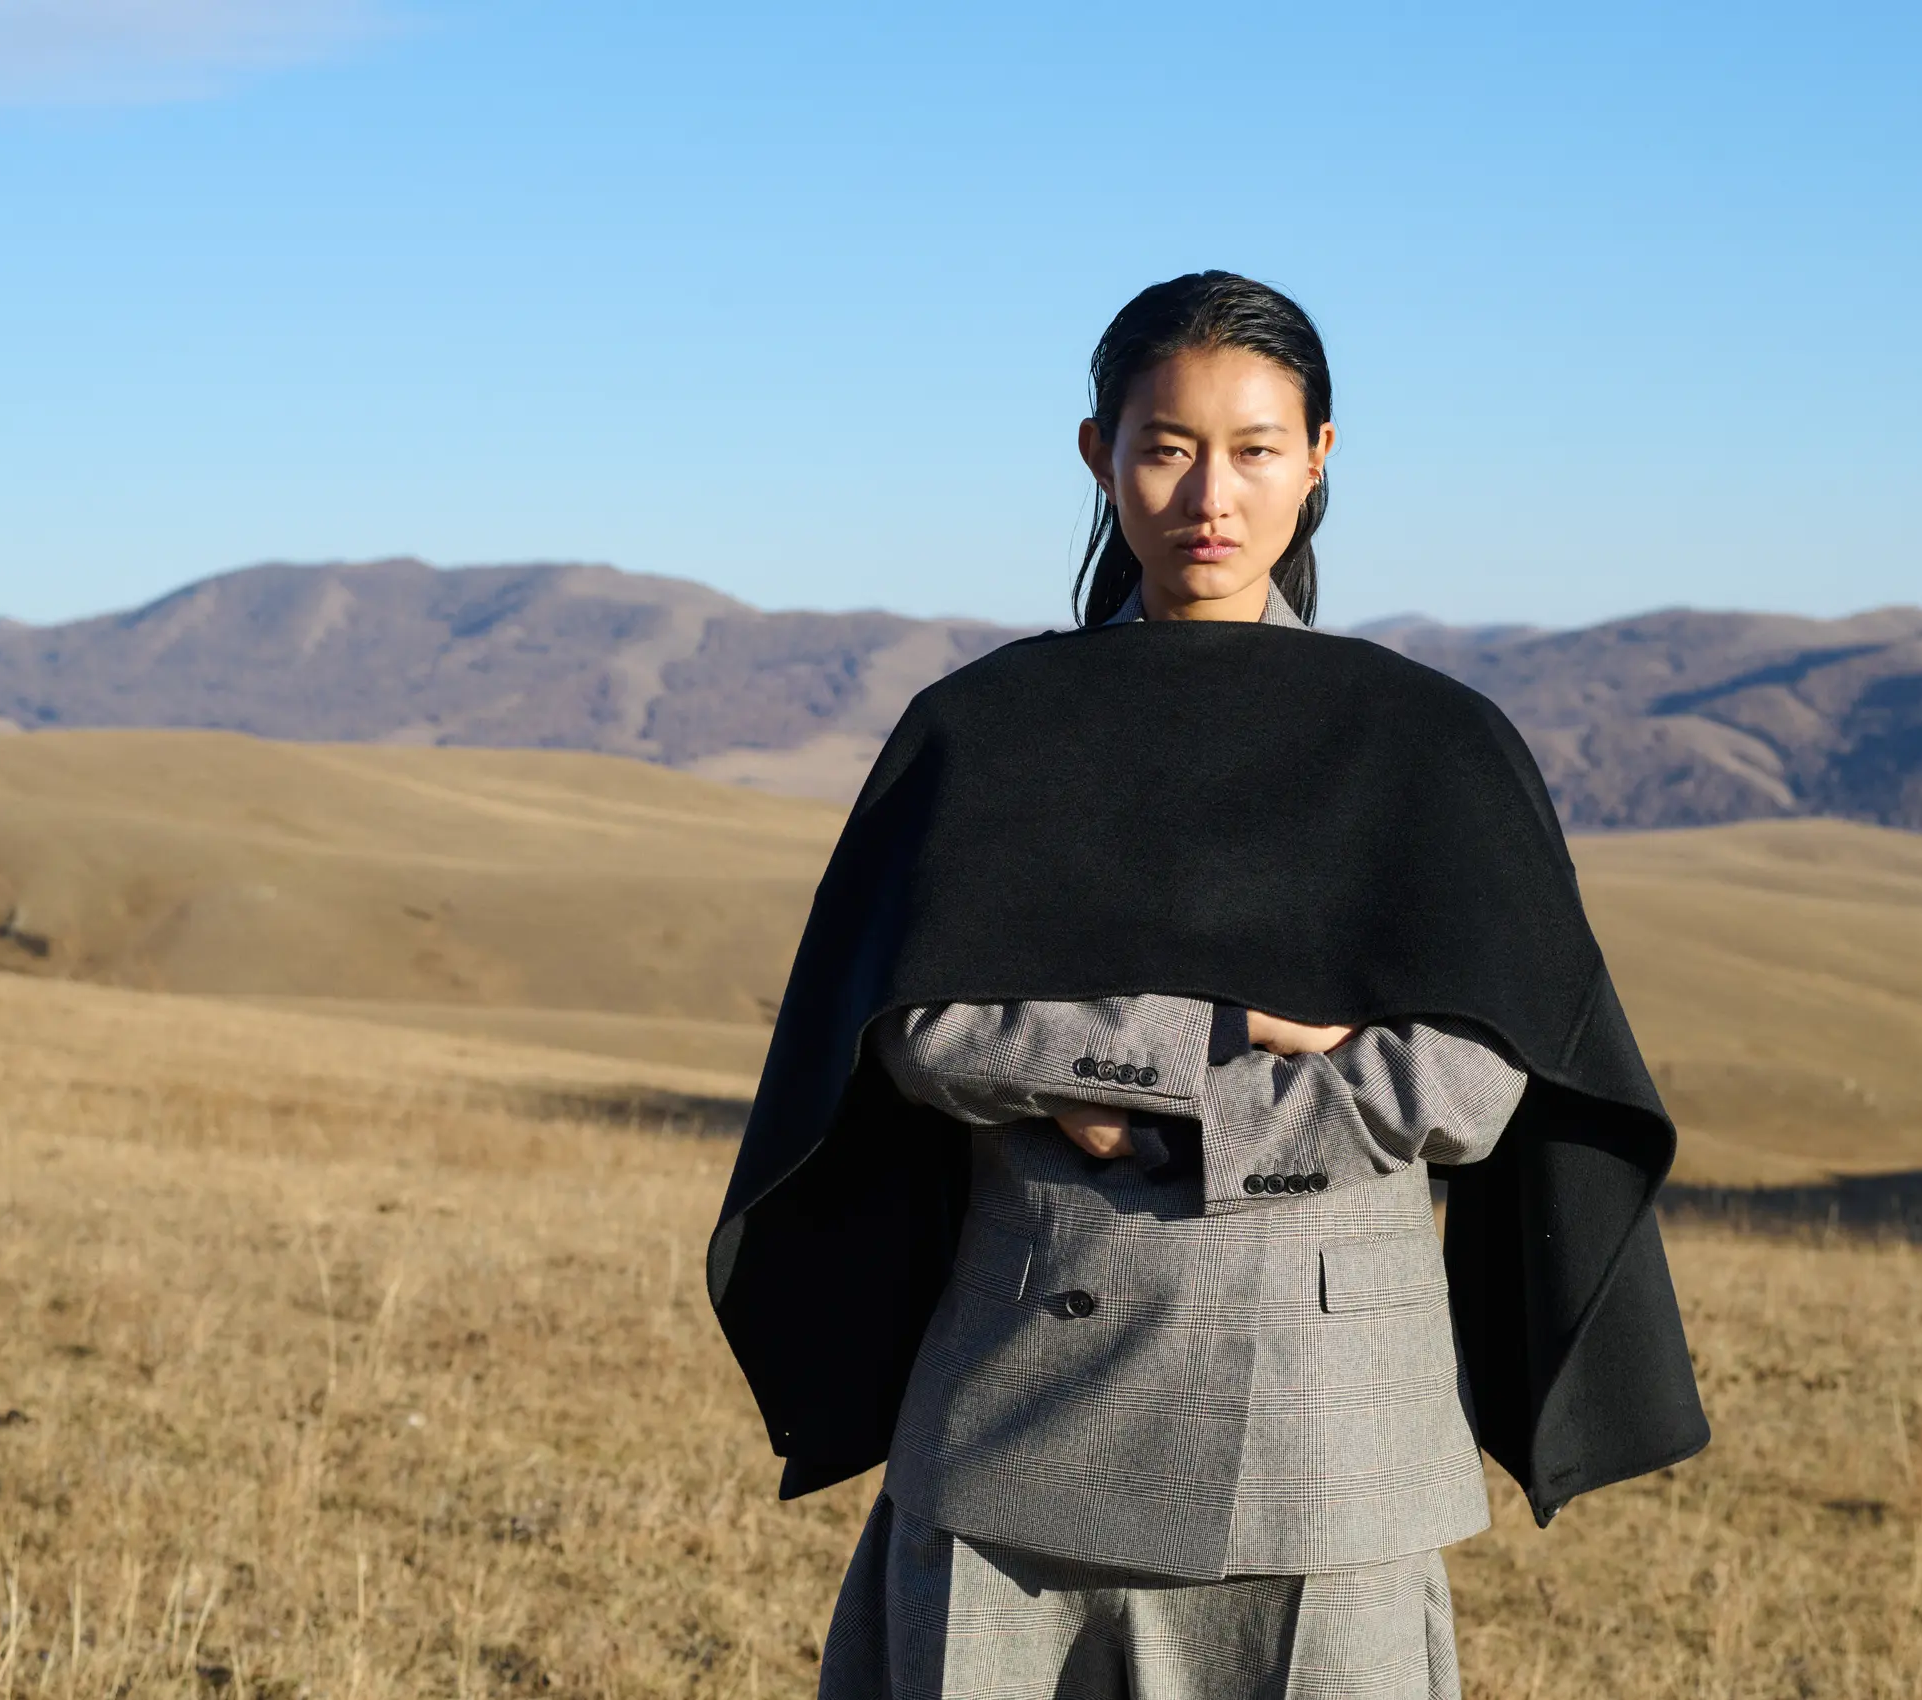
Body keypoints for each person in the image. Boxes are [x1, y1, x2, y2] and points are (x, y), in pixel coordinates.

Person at [707, 271, 1706, 1700]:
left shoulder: (1421, 743)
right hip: (1015, 1423)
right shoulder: (987, 731)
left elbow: (1470, 1082)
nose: (1208, 495)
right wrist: (1203, 1049)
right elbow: (921, 1028)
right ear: (1097, 454)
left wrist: (1193, 1133)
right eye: (1165, 446)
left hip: (1328, 1443)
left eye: (1252, 448)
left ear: (1319, 457)